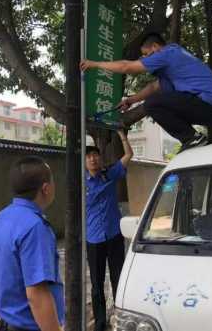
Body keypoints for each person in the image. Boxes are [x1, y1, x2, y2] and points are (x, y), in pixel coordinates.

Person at [81, 32, 212, 151]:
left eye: (146, 54)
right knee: (155, 100)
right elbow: (153, 87)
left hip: (209, 104)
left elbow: (127, 67)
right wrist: (130, 100)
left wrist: (94, 64)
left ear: (156, 47)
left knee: (152, 104)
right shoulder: (173, 63)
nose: (145, 59)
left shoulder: (166, 54)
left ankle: (192, 138)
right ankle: (191, 140)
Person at [0, 156, 64, 331]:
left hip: (6, 323)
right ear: (45, 188)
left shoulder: (1, 218)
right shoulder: (35, 227)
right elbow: (37, 294)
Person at [85, 130, 133, 331]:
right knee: (97, 285)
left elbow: (128, 155)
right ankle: (100, 323)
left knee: (118, 278)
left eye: (95, 155)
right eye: (88, 157)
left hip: (113, 235)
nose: (93, 159)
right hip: (94, 239)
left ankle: (120, 317)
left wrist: (122, 135)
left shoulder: (109, 174)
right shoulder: (80, 184)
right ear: (85, 162)